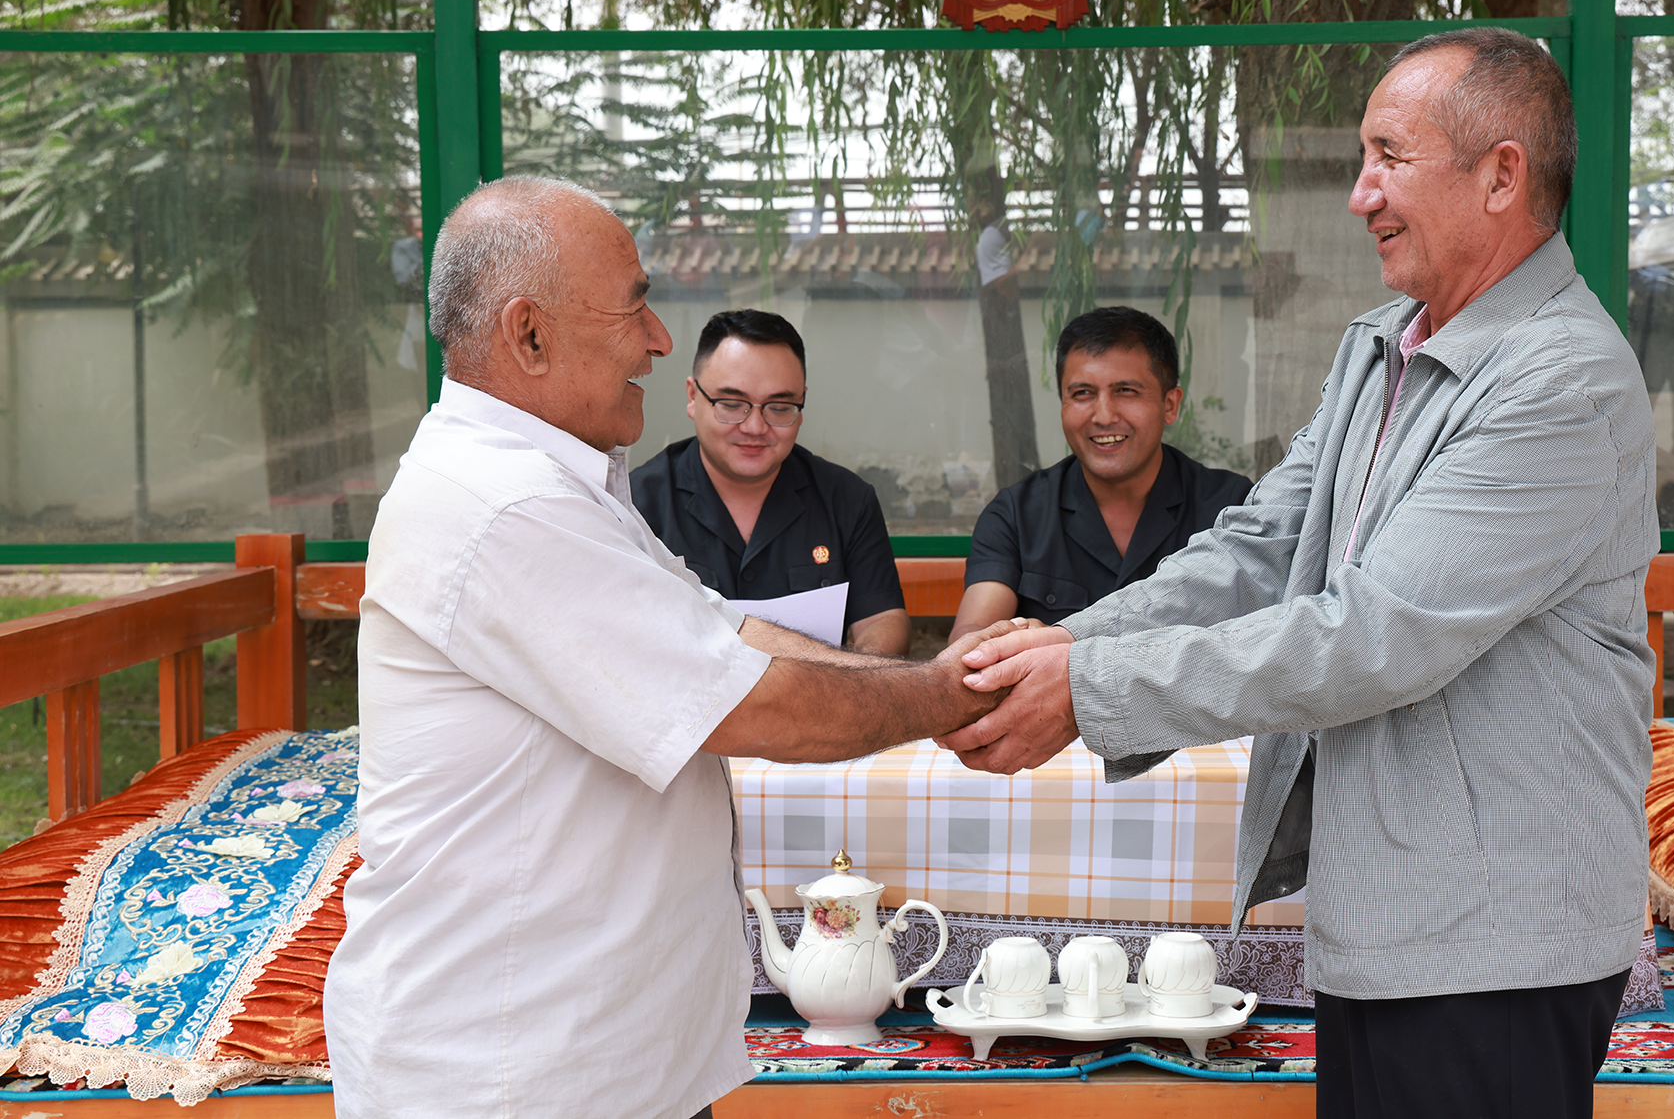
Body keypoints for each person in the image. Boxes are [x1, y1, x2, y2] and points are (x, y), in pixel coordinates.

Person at [942, 29, 1657, 1119]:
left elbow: (1370, 635)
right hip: (1386, 916)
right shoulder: (1384, 344)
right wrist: (1067, 643)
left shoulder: (1561, 382)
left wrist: (1085, 691)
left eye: (1388, 157)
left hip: (1494, 944)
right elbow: (1261, 547)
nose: (1361, 194)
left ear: (1501, 174)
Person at [323, 176, 1012, 1119]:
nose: (655, 338)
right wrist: (954, 696)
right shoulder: (506, 506)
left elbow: (727, 630)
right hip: (517, 1074)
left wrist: (940, 674)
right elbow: (754, 703)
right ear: (530, 335)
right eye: (634, 304)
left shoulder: (562, 483)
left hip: (600, 1058)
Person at [948, 306, 1251, 643]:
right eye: (1082, 394)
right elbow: (971, 637)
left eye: (1126, 391)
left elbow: (1264, 638)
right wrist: (1003, 640)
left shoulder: (1232, 509)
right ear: (1062, 403)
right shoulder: (1018, 515)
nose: (1104, 416)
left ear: (1170, 404)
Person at [630, 310, 909, 655]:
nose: (755, 428)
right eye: (732, 404)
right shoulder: (636, 504)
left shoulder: (847, 499)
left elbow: (882, 618)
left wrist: (860, 671)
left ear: (801, 403)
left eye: (779, 407)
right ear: (692, 396)